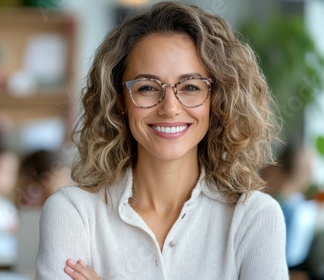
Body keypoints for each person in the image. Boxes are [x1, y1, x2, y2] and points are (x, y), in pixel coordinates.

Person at [36, 2, 288, 279]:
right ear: (119, 100)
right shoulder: (73, 213)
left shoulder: (254, 217)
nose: (169, 108)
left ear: (217, 99)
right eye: (146, 88)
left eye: (191, 87)